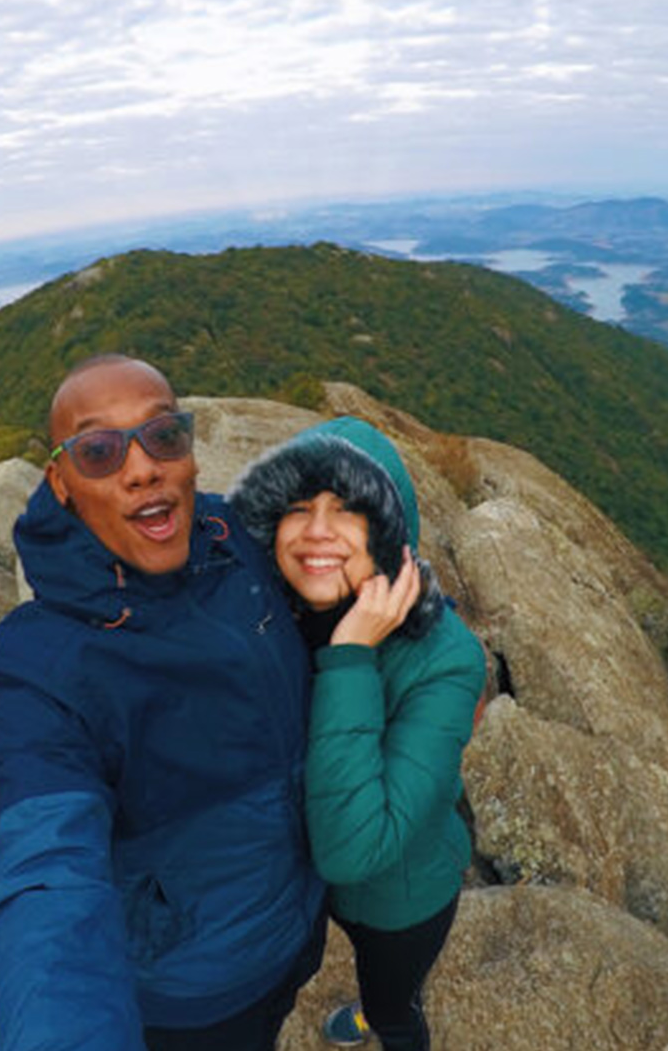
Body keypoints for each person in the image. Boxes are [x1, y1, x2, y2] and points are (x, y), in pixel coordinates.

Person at [0, 354, 327, 1051]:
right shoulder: (35, 671)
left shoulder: (233, 540)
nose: (140, 469)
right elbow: (44, 878)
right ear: (60, 482)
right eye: (98, 451)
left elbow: (349, 557)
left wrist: (428, 639)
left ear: (189, 453)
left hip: (296, 920)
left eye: (163, 436)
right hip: (191, 990)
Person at [230, 416, 486, 1051]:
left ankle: (384, 1019)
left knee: (393, 1003)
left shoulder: (444, 657)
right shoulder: (271, 618)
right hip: (300, 882)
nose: (319, 531)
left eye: (350, 511)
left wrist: (351, 655)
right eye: (298, 507)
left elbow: (355, 850)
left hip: (397, 899)